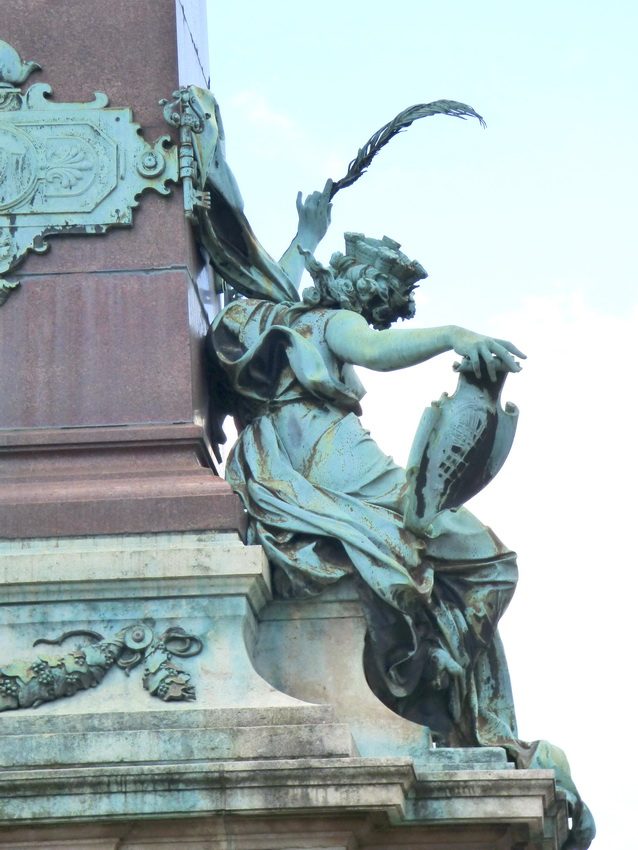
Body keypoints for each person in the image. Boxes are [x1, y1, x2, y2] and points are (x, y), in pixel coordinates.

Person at [207, 179, 594, 850]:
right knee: (485, 559)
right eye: (373, 291)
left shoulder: (284, 320)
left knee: (459, 553)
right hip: (324, 458)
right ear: (348, 285)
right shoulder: (323, 323)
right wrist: (454, 334)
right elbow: (373, 349)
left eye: (381, 301)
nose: (374, 306)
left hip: (311, 452)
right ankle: (447, 674)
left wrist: (306, 236)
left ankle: (446, 668)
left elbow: (275, 284)